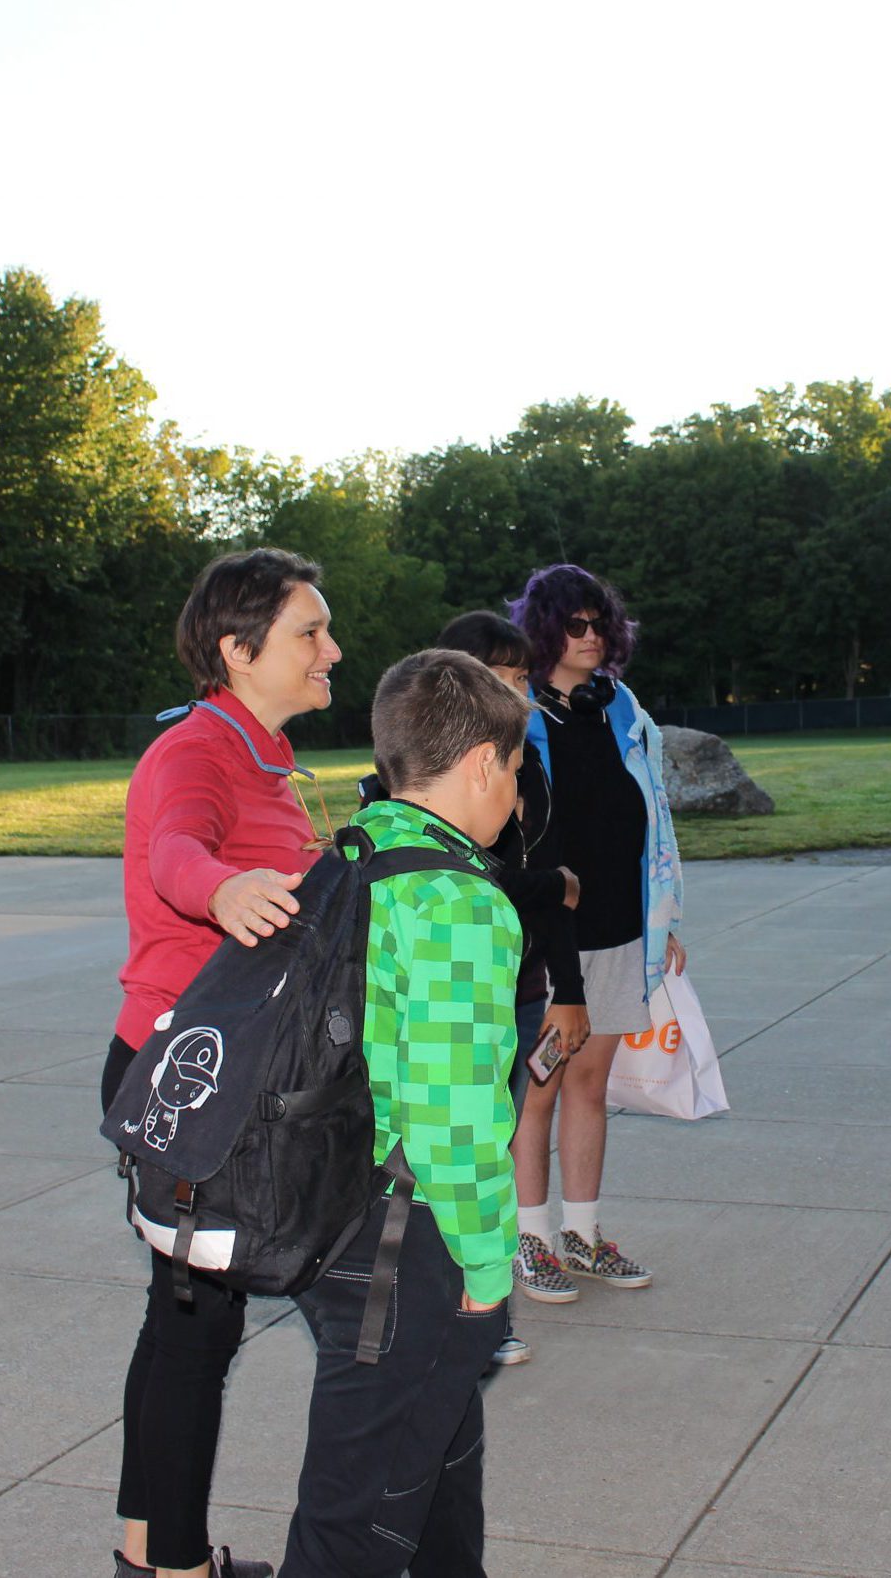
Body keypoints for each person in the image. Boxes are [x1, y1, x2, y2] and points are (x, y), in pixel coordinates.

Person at [106, 548, 341, 1578]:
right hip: (189, 1077)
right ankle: (177, 1568)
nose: (331, 650)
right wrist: (222, 890)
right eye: (309, 632)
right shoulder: (197, 752)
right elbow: (173, 853)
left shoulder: (265, 757)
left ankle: (145, 1554)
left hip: (215, 1073)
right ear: (239, 650)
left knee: (182, 1320)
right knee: (195, 1329)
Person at [279, 648, 530, 1578]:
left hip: (329, 1207)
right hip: (406, 1235)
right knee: (355, 1513)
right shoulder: (458, 902)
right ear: (480, 765)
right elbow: (455, 1114)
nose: (515, 787)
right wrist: (485, 1262)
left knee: (439, 1462)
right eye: (514, 765)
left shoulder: (351, 856)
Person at [506, 564, 685, 1301]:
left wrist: (667, 915)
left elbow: (657, 812)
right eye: (575, 625)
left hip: (620, 929)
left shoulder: (620, 706)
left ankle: (580, 1232)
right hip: (552, 943)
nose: (591, 637)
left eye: (600, 623)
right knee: (537, 1089)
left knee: (590, 1083)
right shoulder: (517, 713)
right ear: (546, 630)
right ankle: (529, 1238)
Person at [430, 610, 586, 1368]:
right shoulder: (405, 774)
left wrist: (570, 991)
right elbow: (460, 881)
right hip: (445, 997)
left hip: (522, 992)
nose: (521, 691)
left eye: (524, 678)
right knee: (441, 1161)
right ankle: (448, 1303)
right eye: (506, 676)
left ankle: (486, 1308)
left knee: (493, 1151)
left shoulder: (534, 773)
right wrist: (546, 882)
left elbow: (556, 903)